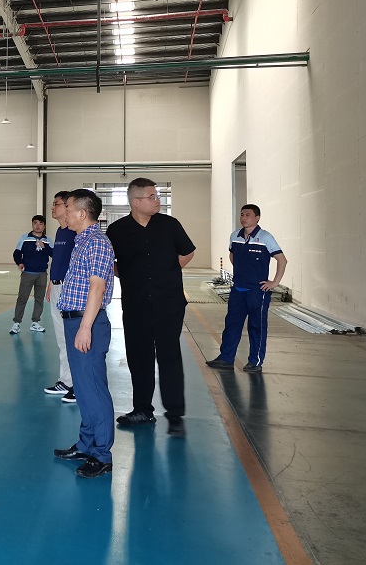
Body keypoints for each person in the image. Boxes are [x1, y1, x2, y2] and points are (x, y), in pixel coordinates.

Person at [106, 178, 195, 438]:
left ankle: (175, 415)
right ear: (136, 202)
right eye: (152, 196)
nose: (158, 200)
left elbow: (187, 252)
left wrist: (165, 272)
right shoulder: (117, 230)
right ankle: (142, 410)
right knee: (139, 356)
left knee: (169, 355)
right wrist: (130, 276)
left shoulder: (169, 225)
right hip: (136, 304)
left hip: (169, 302)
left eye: (157, 196)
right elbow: (110, 262)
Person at [52, 189, 116, 479]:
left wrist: (85, 327)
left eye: (67, 208)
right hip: (75, 321)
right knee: (84, 389)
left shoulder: (97, 243)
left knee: (93, 390)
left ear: (81, 213)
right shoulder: (81, 241)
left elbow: (97, 288)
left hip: (86, 322)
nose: (64, 212)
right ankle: (86, 444)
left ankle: (102, 455)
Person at [208, 204, 288, 373]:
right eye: (242, 215)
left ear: (257, 218)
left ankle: (255, 361)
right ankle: (226, 358)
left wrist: (274, 282)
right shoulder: (234, 236)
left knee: (256, 326)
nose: (244, 218)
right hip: (238, 290)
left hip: (257, 292)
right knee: (232, 324)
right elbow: (232, 256)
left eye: (248, 215)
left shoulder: (265, 237)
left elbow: (282, 260)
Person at [44, 191, 77, 403]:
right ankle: (65, 380)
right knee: (61, 338)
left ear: (67, 207)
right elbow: (58, 260)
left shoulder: (75, 232)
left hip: (69, 288)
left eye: (56, 204)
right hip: (56, 287)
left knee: (72, 338)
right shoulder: (59, 231)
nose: (53, 208)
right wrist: (51, 282)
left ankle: (76, 384)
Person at [10, 215, 52, 334]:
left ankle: (35, 322)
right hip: (27, 273)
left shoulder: (48, 240)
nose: (37, 226)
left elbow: (54, 253)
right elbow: (17, 253)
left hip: (42, 274)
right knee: (22, 298)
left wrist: (45, 247)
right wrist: (19, 262)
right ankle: (16, 323)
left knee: (39, 299)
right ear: (32, 224)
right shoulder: (25, 238)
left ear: (44, 226)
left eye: (40, 223)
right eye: (35, 223)